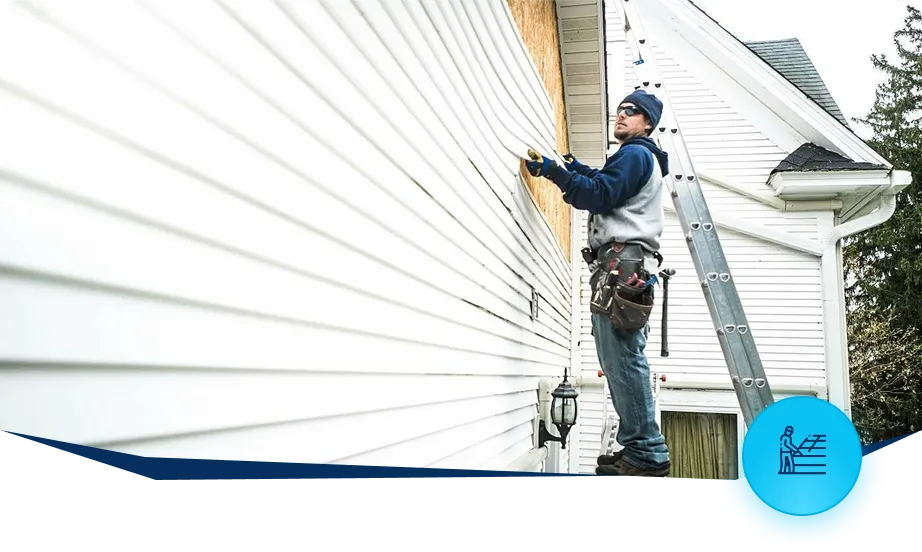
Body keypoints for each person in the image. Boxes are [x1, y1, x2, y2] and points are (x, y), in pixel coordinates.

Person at [525, 89, 672, 478]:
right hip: (624, 265)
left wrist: (556, 173)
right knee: (618, 357)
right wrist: (578, 168)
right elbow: (607, 184)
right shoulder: (639, 158)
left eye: (632, 112)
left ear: (648, 123)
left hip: (622, 264)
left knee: (623, 357)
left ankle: (646, 452)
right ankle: (639, 446)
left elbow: (600, 195)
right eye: (620, 110)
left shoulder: (636, 153)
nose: (621, 115)